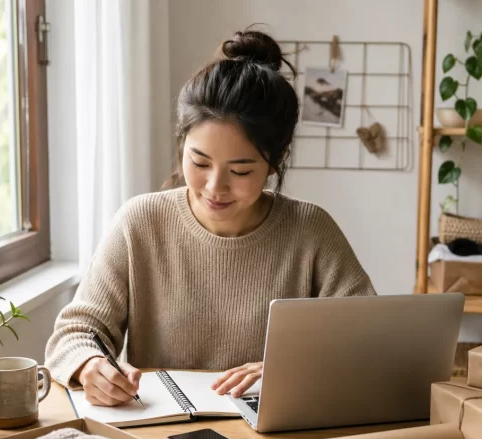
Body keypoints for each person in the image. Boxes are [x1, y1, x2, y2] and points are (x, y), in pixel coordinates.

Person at [45, 29, 376, 407]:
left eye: (240, 171)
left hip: (273, 435)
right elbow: (74, 332)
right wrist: (89, 365)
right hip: (161, 432)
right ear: (182, 142)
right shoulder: (140, 223)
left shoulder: (311, 230)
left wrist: (295, 366)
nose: (215, 187)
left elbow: (367, 338)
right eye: (199, 162)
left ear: (276, 161)